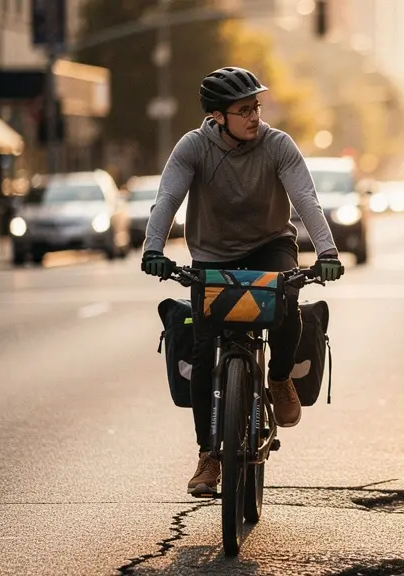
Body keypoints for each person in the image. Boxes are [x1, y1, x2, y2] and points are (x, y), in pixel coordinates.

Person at [141, 66, 345, 496]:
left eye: (256, 107)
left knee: (287, 303)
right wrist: (153, 249)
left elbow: (306, 199)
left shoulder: (277, 145)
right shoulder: (193, 147)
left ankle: (280, 377)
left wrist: (326, 252)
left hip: (270, 245)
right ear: (218, 116)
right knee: (203, 350)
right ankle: (208, 455)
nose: (254, 116)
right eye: (243, 110)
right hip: (212, 253)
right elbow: (168, 198)